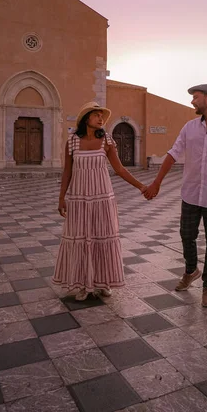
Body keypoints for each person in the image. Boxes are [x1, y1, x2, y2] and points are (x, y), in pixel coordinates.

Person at [144, 84, 207, 308]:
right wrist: (156, 182)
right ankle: (191, 270)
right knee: (186, 235)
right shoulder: (189, 128)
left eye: (196, 98)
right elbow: (173, 154)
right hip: (190, 194)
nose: (192, 102)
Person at [53, 101, 147, 301]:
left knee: (102, 238)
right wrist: (62, 198)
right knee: (81, 238)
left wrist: (141, 186)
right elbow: (67, 171)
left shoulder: (107, 141)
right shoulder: (72, 142)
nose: (101, 119)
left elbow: (119, 169)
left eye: (102, 116)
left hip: (102, 197)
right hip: (79, 199)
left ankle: (103, 282)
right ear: (87, 118)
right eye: (97, 115)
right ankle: (82, 284)